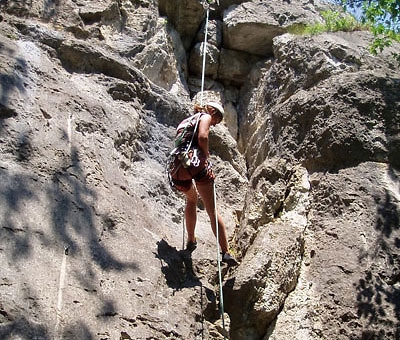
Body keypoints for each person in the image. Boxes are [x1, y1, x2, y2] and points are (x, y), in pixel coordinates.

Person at [168, 102, 238, 267]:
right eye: (216, 120)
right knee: (212, 210)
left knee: (191, 199)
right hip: (196, 163)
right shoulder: (205, 116)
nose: (213, 124)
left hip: (178, 169)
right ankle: (226, 253)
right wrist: (205, 155)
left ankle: (191, 241)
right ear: (212, 111)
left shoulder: (185, 122)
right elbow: (202, 137)